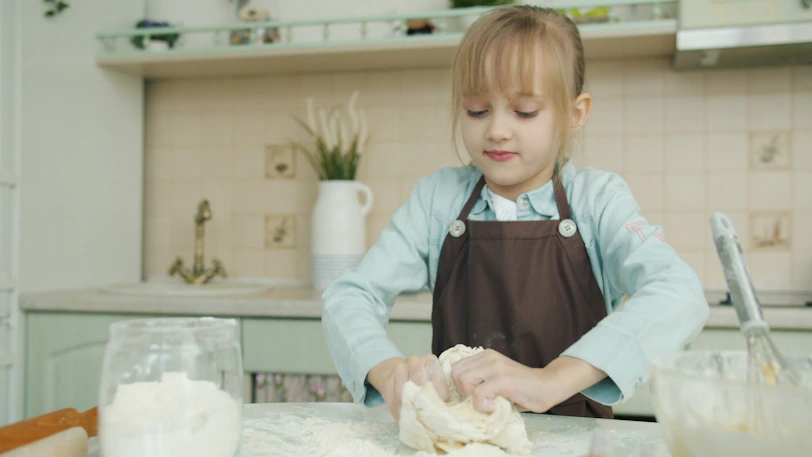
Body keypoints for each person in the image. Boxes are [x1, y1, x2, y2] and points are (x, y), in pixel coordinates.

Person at [321, 5, 709, 422]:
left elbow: (678, 291)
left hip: (577, 443)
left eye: (524, 111)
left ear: (575, 114)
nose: (497, 130)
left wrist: (550, 381)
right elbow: (349, 296)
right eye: (476, 110)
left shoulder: (598, 201)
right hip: (459, 440)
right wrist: (387, 371)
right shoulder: (438, 200)